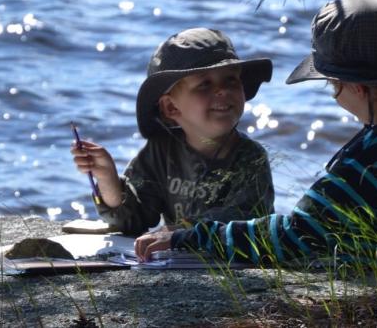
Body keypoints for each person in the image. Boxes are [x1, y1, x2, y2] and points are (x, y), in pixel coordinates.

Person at [134, 0, 377, 283]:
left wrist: (190, 238)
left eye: (333, 86)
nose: (334, 95)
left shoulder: (367, 158)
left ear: (356, 88)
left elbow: (295, 236)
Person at [71, 28, 275, 236]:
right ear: (171, 108)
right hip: (180, 260)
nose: (222, 90)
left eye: (231, 80)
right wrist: (107, 178)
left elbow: (242, 220)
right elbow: (133, 218)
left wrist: (179, 232)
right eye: (205, 84)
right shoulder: (161, 152)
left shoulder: (250, 158)